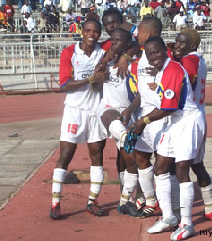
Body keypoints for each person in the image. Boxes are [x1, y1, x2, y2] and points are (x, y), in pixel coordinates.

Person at [131, 36, 205, 240]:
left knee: (182, 170)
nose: (153, 56)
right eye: (149, 54)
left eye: (157, 52)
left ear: (165, 50)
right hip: (174, 122)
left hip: (187, 122)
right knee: (160, 168)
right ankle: (169, 217)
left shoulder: (172, 69)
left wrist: (142, 121)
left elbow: (168, 107)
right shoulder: (162, 71)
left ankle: (187, 223)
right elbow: (165, 106)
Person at [50, 19, 108, 220]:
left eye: (96, 31)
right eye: (88, 30)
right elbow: (65, 84)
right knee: (66, 154)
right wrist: (91, 80)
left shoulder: (104, 50)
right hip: (74, 110)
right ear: (81, 32)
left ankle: (92, 202)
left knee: (97, 154)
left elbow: (130, 39)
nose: (92, 34)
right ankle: (55, 203)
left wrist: (126, 56)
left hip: (97, 111)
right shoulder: (69, 53)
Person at [172, 28, 212, 223]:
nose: (177, 45)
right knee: (197, 165)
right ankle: (210, 207)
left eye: (181, 42)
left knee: (178, 167)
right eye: (176, 41)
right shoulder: (200, 60)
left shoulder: (190, 60)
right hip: (199, 116)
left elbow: (186, 83)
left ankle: (178, 212)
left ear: (192, 45)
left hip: (187, 119)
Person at [122, 16, 166, 218]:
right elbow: (142, 91)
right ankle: (150, 200)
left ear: (148, 34)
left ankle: (168, 203)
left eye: (139, 32)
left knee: (164, 163)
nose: (136, 35)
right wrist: (131, 109)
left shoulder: (162, 58)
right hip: (143, 114)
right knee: (140, 157)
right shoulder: (141, 56)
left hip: (160, 116)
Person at [95, 28, 142, 216]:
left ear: (127, 44)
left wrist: (129, 110)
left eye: (118, 41)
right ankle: (125, 137)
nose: (114, 44)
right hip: (109, 111)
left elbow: (141, 94)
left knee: (130, 160)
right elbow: (94, 85)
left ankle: (126, 200)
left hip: (127, 114)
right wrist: (99, 72)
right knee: (108, 115)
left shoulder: (132, 65)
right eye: (112, 41)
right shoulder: (106, 63)